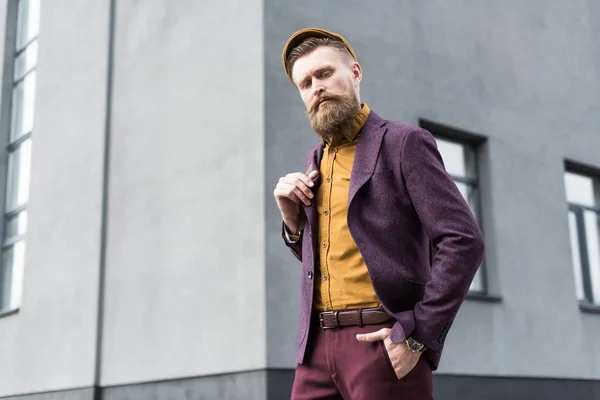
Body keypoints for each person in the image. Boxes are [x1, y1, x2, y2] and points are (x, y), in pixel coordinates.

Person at [273, 28, 485, 400]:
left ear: (355, 72)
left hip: (381, 342)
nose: (316, 87)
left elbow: (463, 240)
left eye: (324, 73)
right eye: (305, 83)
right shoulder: (314, 161)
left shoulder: (404, 143)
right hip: (315, 350)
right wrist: (293, 222)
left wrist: (419, 337)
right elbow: (328, 258)